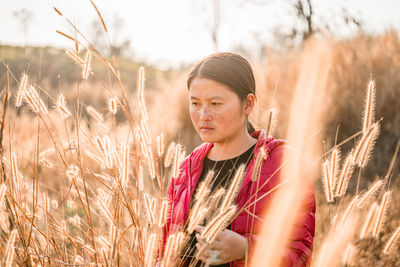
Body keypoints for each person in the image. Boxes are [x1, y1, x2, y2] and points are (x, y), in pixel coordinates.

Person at [164, 52, 315, 267]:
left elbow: (300, 253)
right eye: (195, 103)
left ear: (248, 104)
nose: (203, 115)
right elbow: (164, 249)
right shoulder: (186, 169)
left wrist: (246, 249)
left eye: (215, 104)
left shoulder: (282, 164)